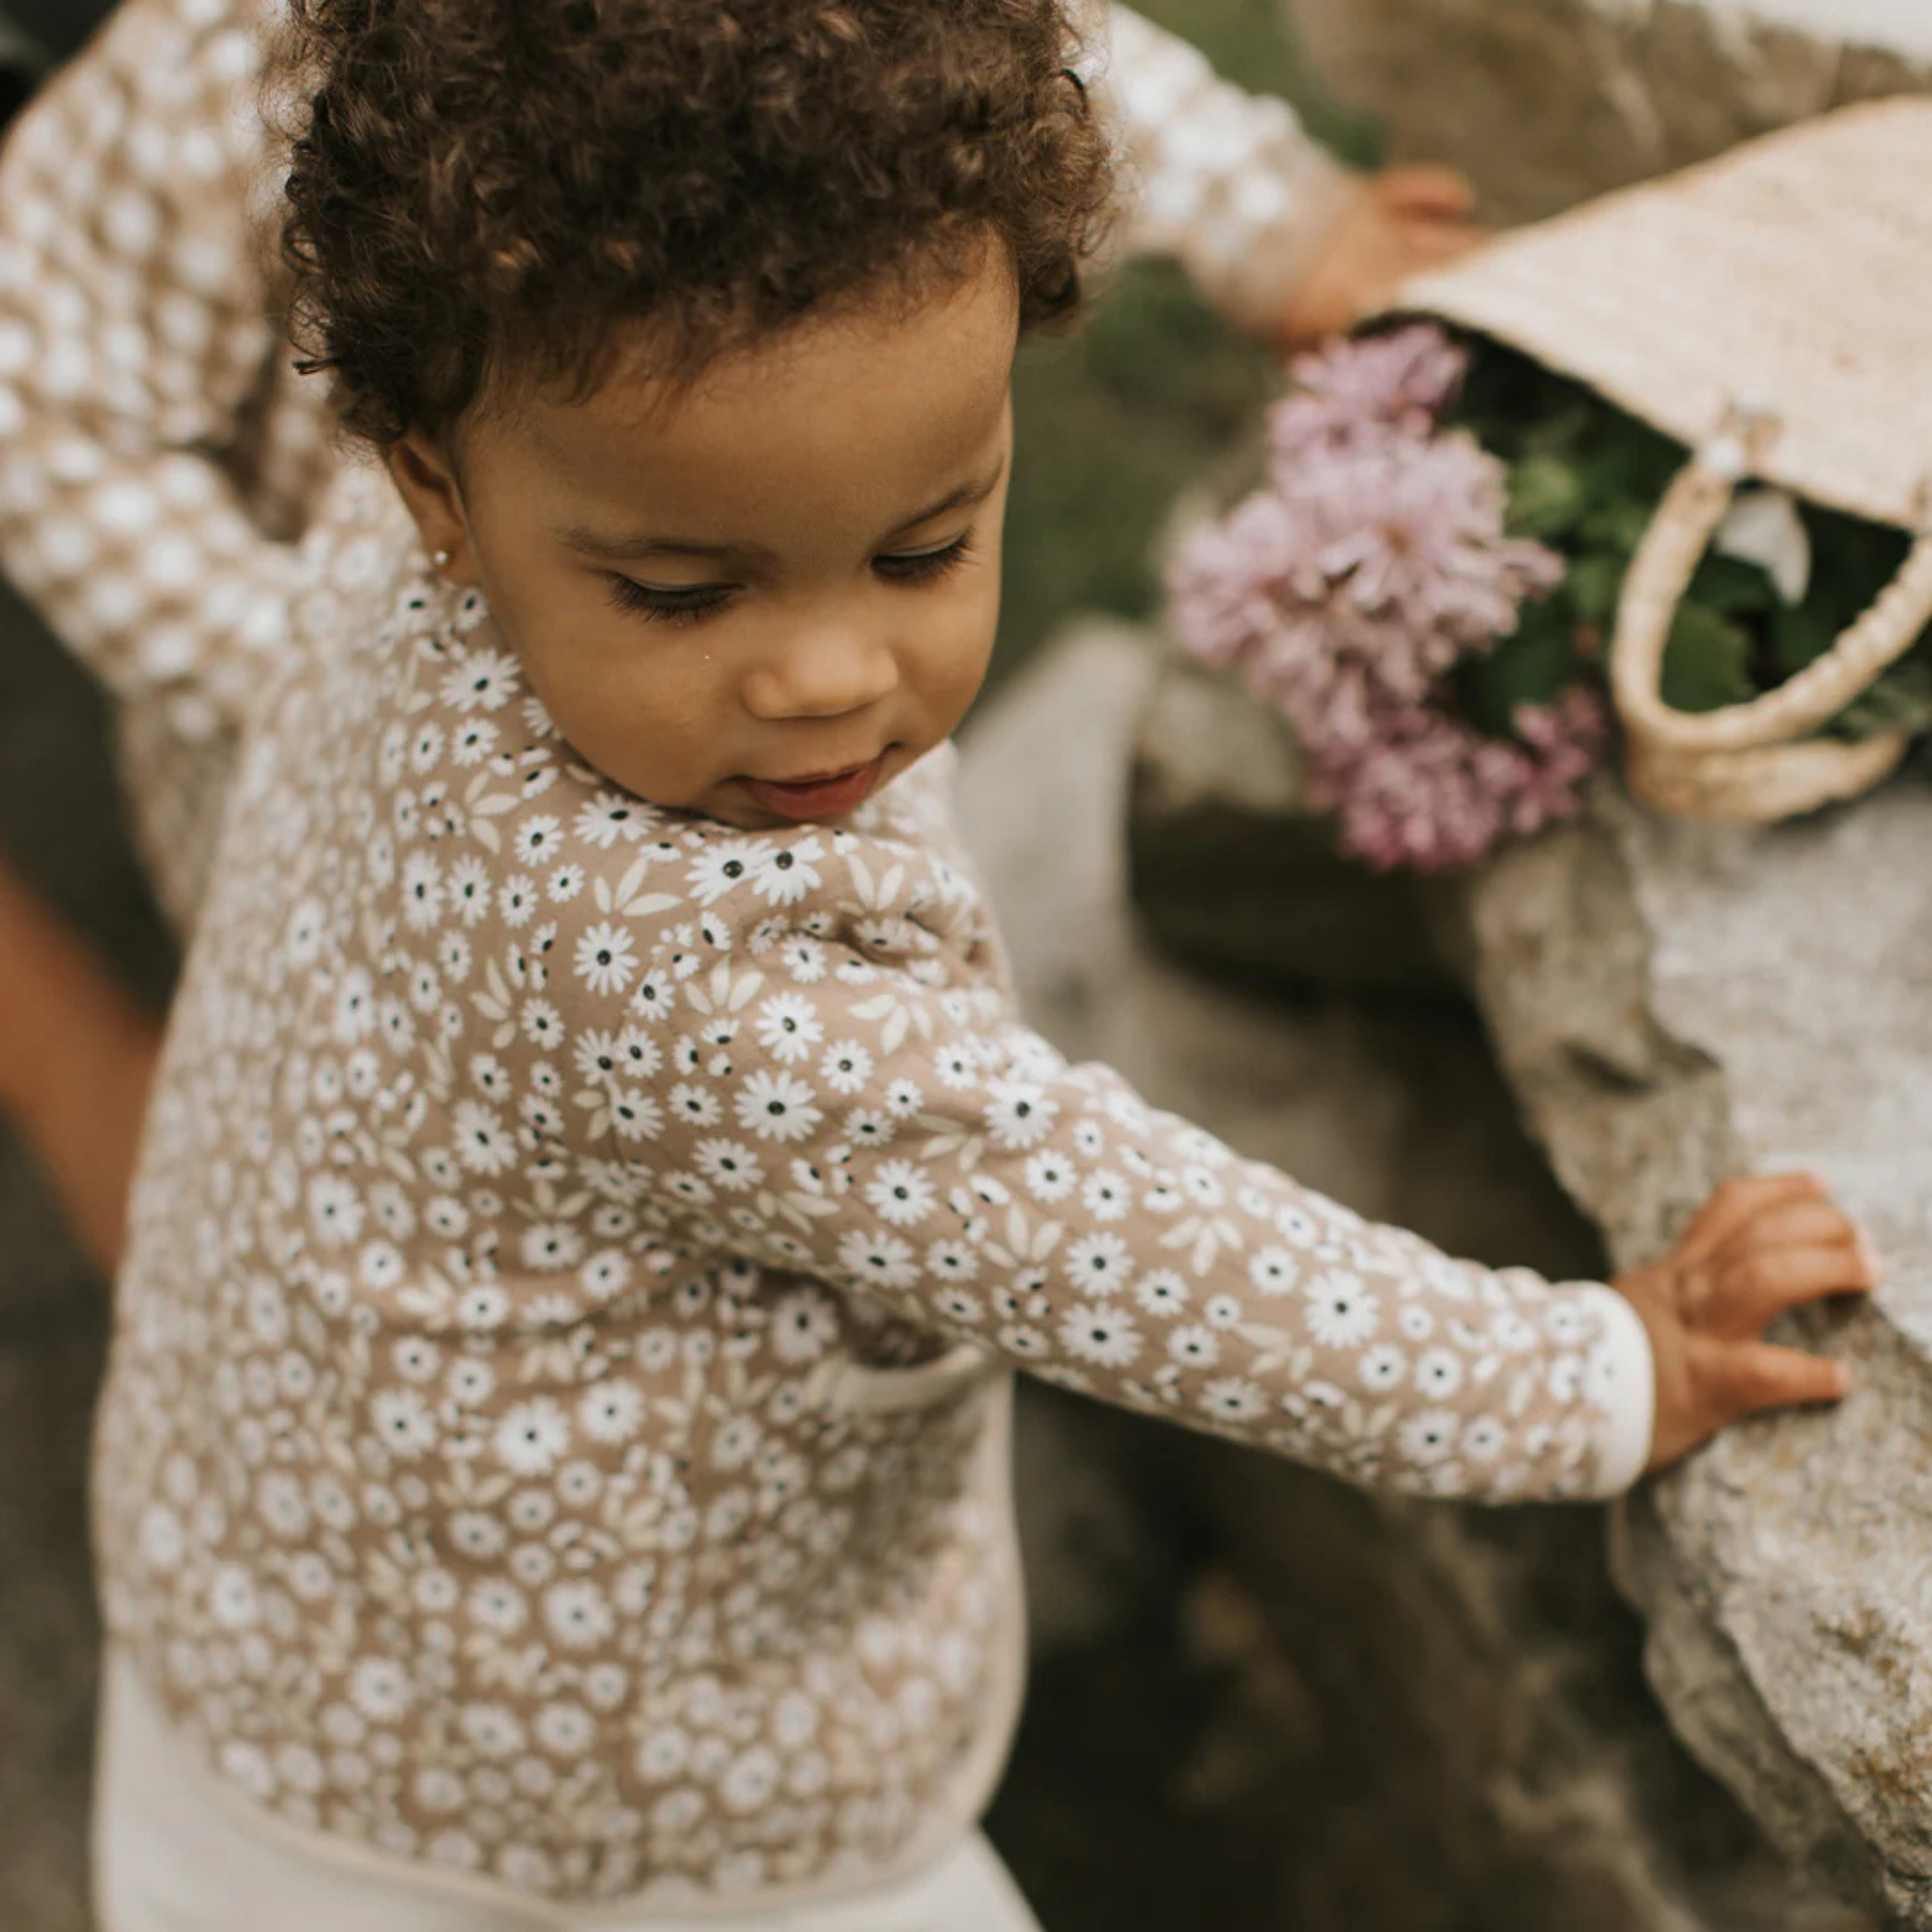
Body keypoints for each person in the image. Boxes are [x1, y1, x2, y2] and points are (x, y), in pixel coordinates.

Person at [85, 3, 1872, 1927]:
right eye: (686, 593)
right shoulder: (674, 971)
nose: (827, 674)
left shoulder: (426, 520)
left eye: (922, 545)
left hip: (256, 1596)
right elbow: (1149, 1259)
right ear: (432, 481)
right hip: (588, 1808)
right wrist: (1596, 1369)